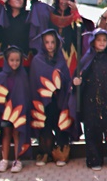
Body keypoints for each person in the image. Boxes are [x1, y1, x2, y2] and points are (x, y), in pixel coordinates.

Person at [73, 29, 107, 170]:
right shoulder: (86, 60)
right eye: (99, 40)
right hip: (90, 103)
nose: (102, 43)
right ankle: (94, 160)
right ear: (93, 42)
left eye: (104, 40)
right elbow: (78, 80)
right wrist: (77, 83)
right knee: (92, 132)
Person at [29, 29, 78, 166]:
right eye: (47, 42)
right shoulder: (37, 60)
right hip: (43, 101)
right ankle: (45, 152)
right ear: (42, 44)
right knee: (45, 125)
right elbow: (35, 81)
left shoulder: (61, 59)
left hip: (59, 99)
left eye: (52, 42)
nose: (50, 45)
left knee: (60, 123)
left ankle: (61, 151)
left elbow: (66, 78)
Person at [29, 0, 94, 79]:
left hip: (70, 53)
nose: (64, 1)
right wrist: (32, 0)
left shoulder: (74, 15)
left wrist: (76, 13)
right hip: (51, 52)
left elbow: (81, 32)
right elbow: (40, 10)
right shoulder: (50, 12)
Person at [0, 46, 31, 172]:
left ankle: (17, 160)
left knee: (17, 134)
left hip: (18, 112)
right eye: (12, 60)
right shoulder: (0, 76)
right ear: (6, 60)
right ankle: (4, 160)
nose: (14, 63)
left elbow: (25, 95)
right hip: (5, 112)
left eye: (17, 60)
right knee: (6, 134)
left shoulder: (23, 76)